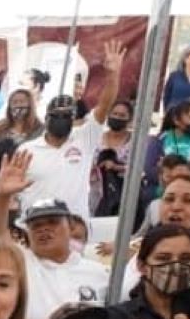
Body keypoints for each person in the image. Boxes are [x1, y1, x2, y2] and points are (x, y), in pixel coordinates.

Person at [0, 153, 110, 319]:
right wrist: (1, 195)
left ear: (71, 227)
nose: (44, 229)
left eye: (52, 222)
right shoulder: (19, 264)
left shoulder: (99, 272)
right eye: (36, 225)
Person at [19, 43, 127, 217]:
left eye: (67, 116)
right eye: (56, 115)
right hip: (36, 225)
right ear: (46, 119)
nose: (61, 120)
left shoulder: (84, 139)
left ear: (73, 119)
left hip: (74, 229)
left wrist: (113, 75)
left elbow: (105, 105)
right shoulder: (27, 150)